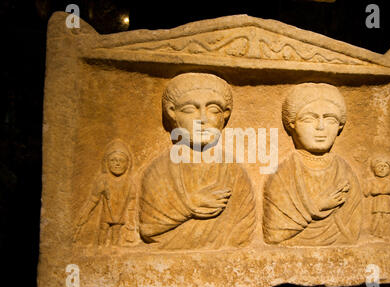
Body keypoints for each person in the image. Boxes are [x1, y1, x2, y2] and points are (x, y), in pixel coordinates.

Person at [139, 73, 256, 250]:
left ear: (225, 115)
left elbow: (243, 229)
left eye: (213, 110)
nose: (203, 118)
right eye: (189, 109)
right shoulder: (158, 172)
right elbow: (149, 228)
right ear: (172, 113)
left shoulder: (234, 172)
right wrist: (187, 207)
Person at [263, 83, 362, 246]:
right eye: (309, 119)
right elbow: (274, 234)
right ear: (292, 123)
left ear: (340, 126)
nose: (320, 127)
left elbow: (353, 231)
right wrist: (317, 207)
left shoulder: (345, 173)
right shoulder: (283, 174)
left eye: (330, 119)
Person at [74, 139, 137, 246]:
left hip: (120, 214)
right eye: (113, 160)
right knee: (103, 229)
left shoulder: (129, 183)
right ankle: (100, 247)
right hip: (107, 213)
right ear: (106, 162)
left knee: (116, 231)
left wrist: (131, 220)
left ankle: (113, 249)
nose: (117, 164)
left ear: (128, 164)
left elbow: (132, 202)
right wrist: (84, 215)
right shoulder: (103, 180)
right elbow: (93, 200)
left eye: (121, 161)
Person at [365, 156, 390, 240]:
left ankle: (385, 235)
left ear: (389, 170)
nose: (382, 169)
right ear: (374, 169)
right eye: (379, 166)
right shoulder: (372, 182)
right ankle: (374, 234)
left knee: (386, 218)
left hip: (387, 203)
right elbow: (366, 193)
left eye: (385, 167)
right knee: (376, 218)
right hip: (377, 203)